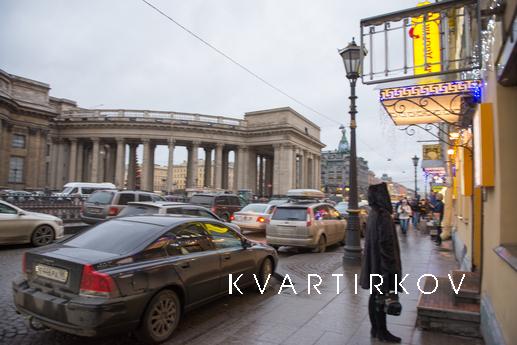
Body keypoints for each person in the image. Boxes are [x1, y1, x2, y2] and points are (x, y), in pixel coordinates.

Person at [360, 183, 402, 343]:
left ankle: (375, 329)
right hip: (382, 265)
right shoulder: (383, 214)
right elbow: (386, 244)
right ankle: (382, 332)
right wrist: (390, 269)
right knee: (382, 297)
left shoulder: (373, 213)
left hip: (373, 263)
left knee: (374, 296)